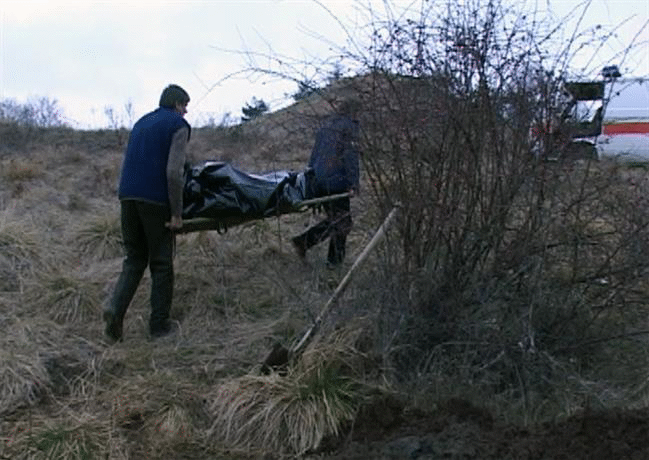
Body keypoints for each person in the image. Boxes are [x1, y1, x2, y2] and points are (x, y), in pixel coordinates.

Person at [103, 84, 191, 342]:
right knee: (162, 262)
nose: (186, 111)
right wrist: (176, 213)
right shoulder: (177, 125)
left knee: (134, 259)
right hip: (155, 200)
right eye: (185, 105)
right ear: (176, 104)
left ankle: (114, 310)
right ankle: (159, 326)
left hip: (127, 195)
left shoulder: (142, 122)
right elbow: (174, 173)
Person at [291, 97, 361, 267]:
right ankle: (331, 263)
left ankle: (305, 243)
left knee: (336, 220)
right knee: (342, 222)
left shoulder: (326, 127)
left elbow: (314, 156)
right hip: (336, 181)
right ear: (354, 111)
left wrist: (311, 179)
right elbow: (350, 157)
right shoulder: (349, 128)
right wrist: (353, 183)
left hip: (319, 179)